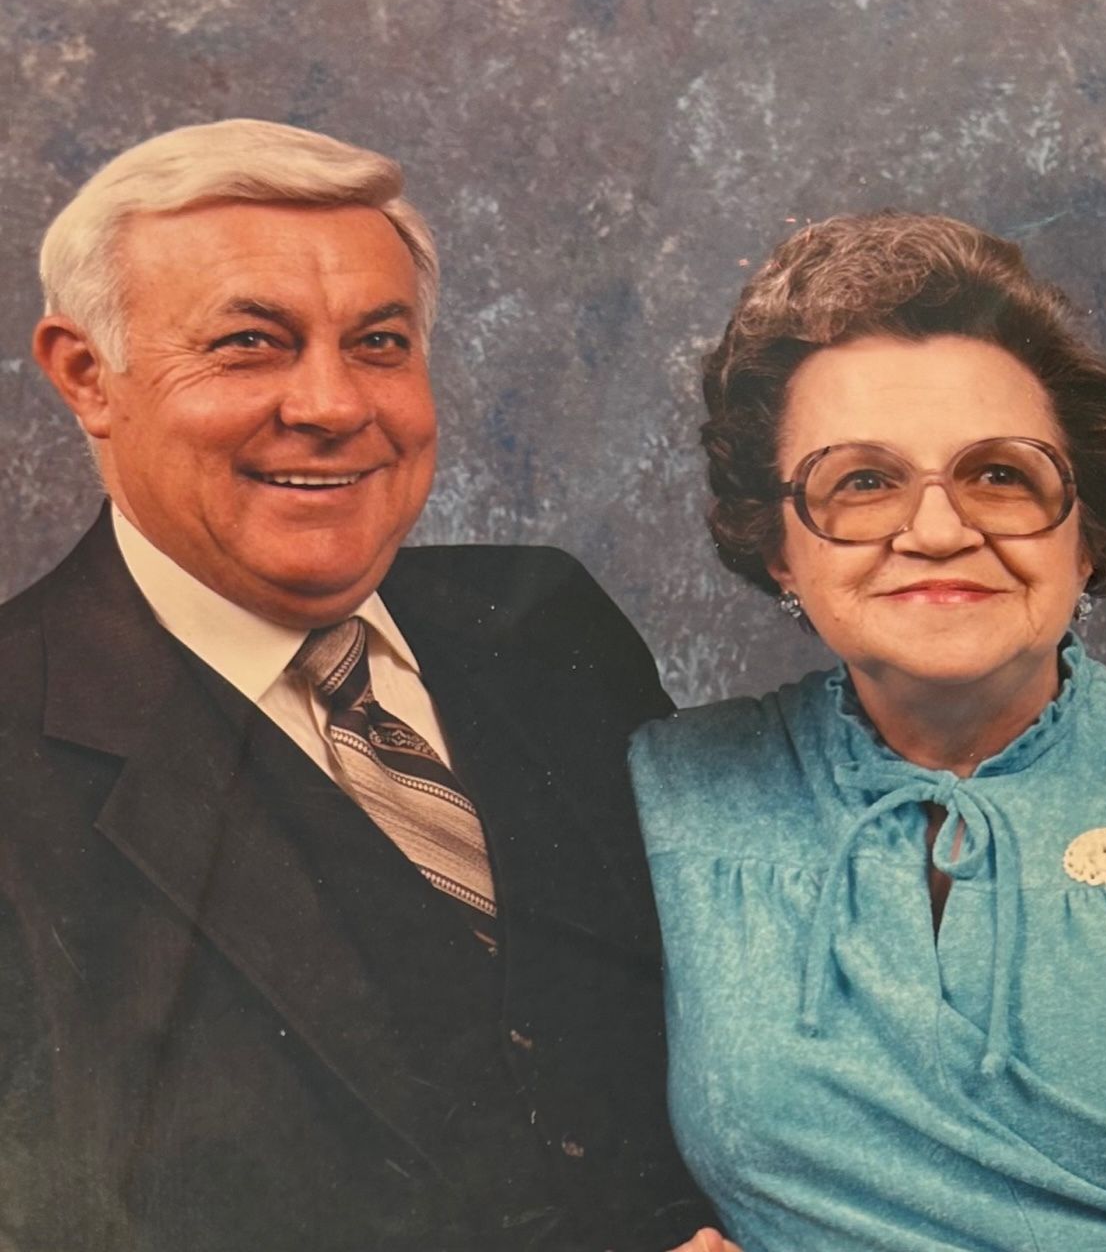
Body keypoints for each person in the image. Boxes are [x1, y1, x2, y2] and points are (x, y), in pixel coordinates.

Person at [0, 118, 719, 1251]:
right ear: (87, 374)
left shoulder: (542, 623)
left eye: (379, 342)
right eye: (249, 343)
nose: (333, 405)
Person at [629, 212, 1106, 1251]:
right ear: (778, 545)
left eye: (998, 474)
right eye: (863, 481)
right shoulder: (667, 792)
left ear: (1086, 527)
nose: (935, 530)